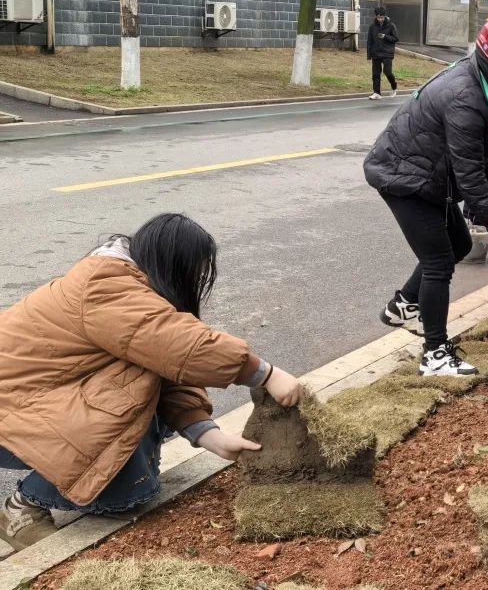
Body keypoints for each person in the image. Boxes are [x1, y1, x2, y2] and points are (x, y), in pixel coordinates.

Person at [0, 214, 303, 551]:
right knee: (122, 423)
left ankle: (83, 483)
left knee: (132, 455)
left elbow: (165, 366)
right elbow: (183, 346)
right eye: (193, 272)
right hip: (12, 409)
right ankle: (22, 507)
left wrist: (207, 434)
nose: (195, 281)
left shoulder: (129, 284)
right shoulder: (105, 286)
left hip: (31, 403)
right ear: (171, 263)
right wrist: (265, 374)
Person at [365, 13, 488, 376]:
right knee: (439, 262)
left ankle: (403, 306)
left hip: (425, 174)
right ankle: (435, 355)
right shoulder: (466, 98)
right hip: (404, 178)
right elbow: (469, 174)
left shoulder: (482, 82)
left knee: (458, 245)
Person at [367, 6, 399, 100]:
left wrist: (385, 36)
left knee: (387, 72)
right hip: (376, 53)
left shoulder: (391, 25)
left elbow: (396, 38)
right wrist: (369, 54)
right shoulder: (372, 27)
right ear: (376, 16)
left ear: (385, 16)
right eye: (378, 17)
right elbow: (369, 41)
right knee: (375, 74)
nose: (380, 19)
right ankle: (377, 93)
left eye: (382, 17)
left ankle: (394, 86)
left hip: (387, 53)